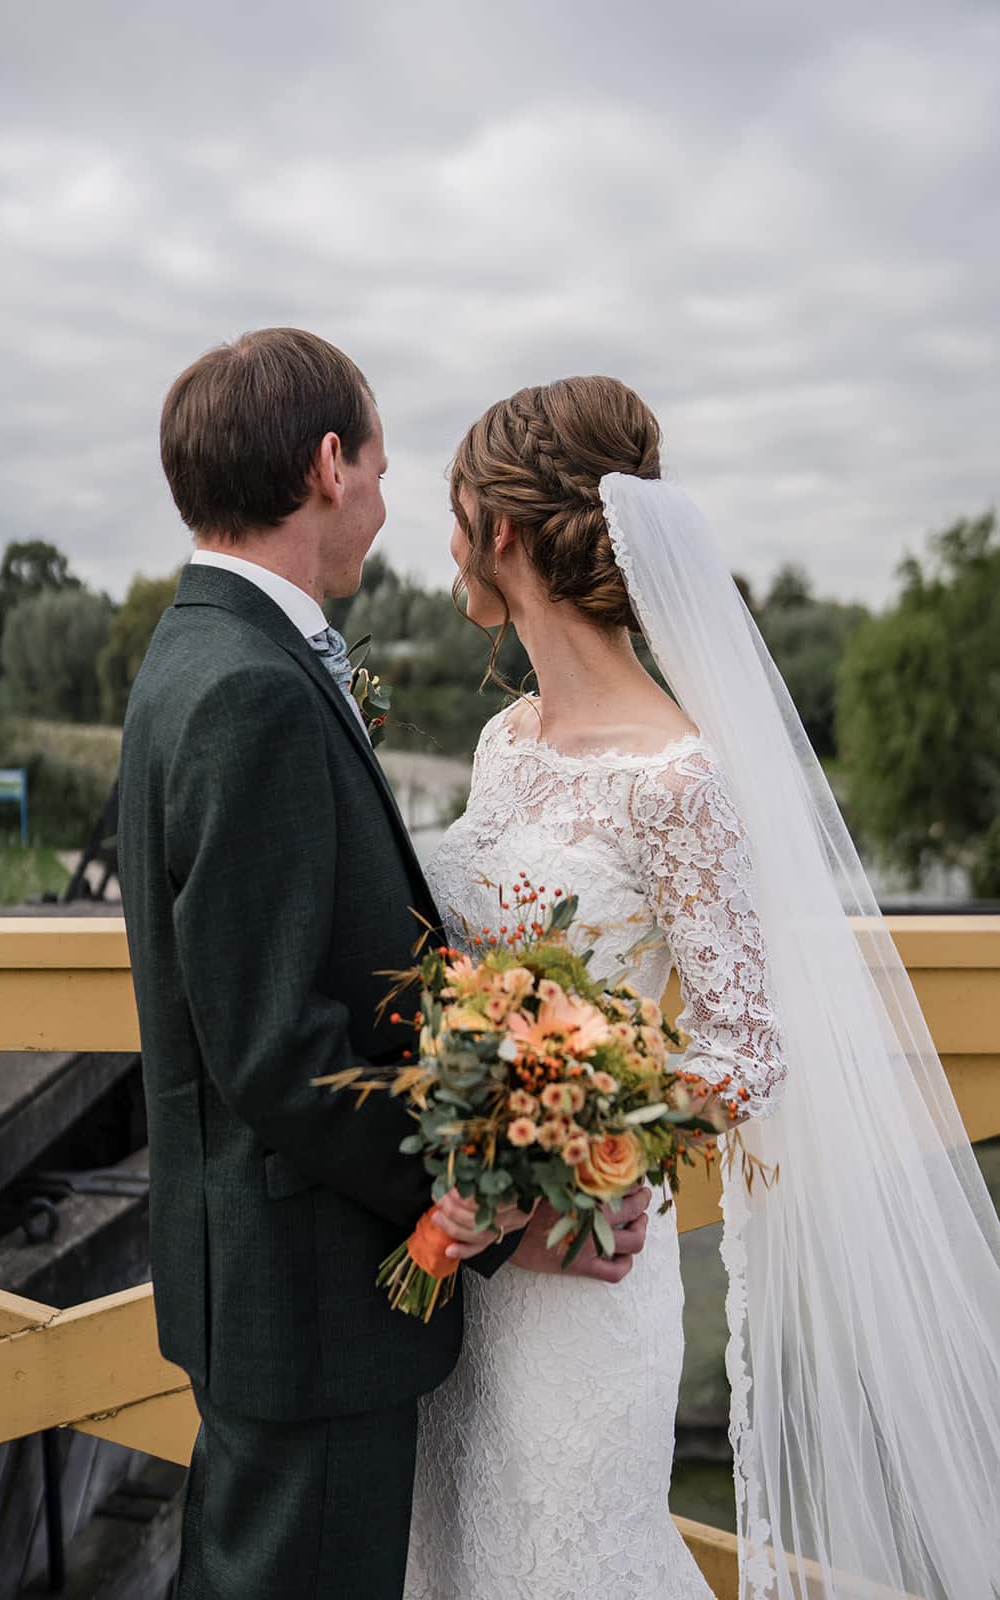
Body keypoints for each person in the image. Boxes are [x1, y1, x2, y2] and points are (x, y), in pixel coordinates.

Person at [404, 376, 1000, 1598]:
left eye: (453, 513)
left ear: (499, 531)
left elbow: (743, 1046)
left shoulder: (676, 779)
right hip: (477, 1265)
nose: (446, 542)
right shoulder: (503, 741)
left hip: (580, 1260)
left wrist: (576, 1145)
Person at [117, 331, 650, 1600]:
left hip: (269, 1283)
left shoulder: (202, 652)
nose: (386, 496)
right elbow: (279, 1052)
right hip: (310, 1298)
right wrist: (489, 1212)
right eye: (379, 466)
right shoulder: (251, 689)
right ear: (327, 466)